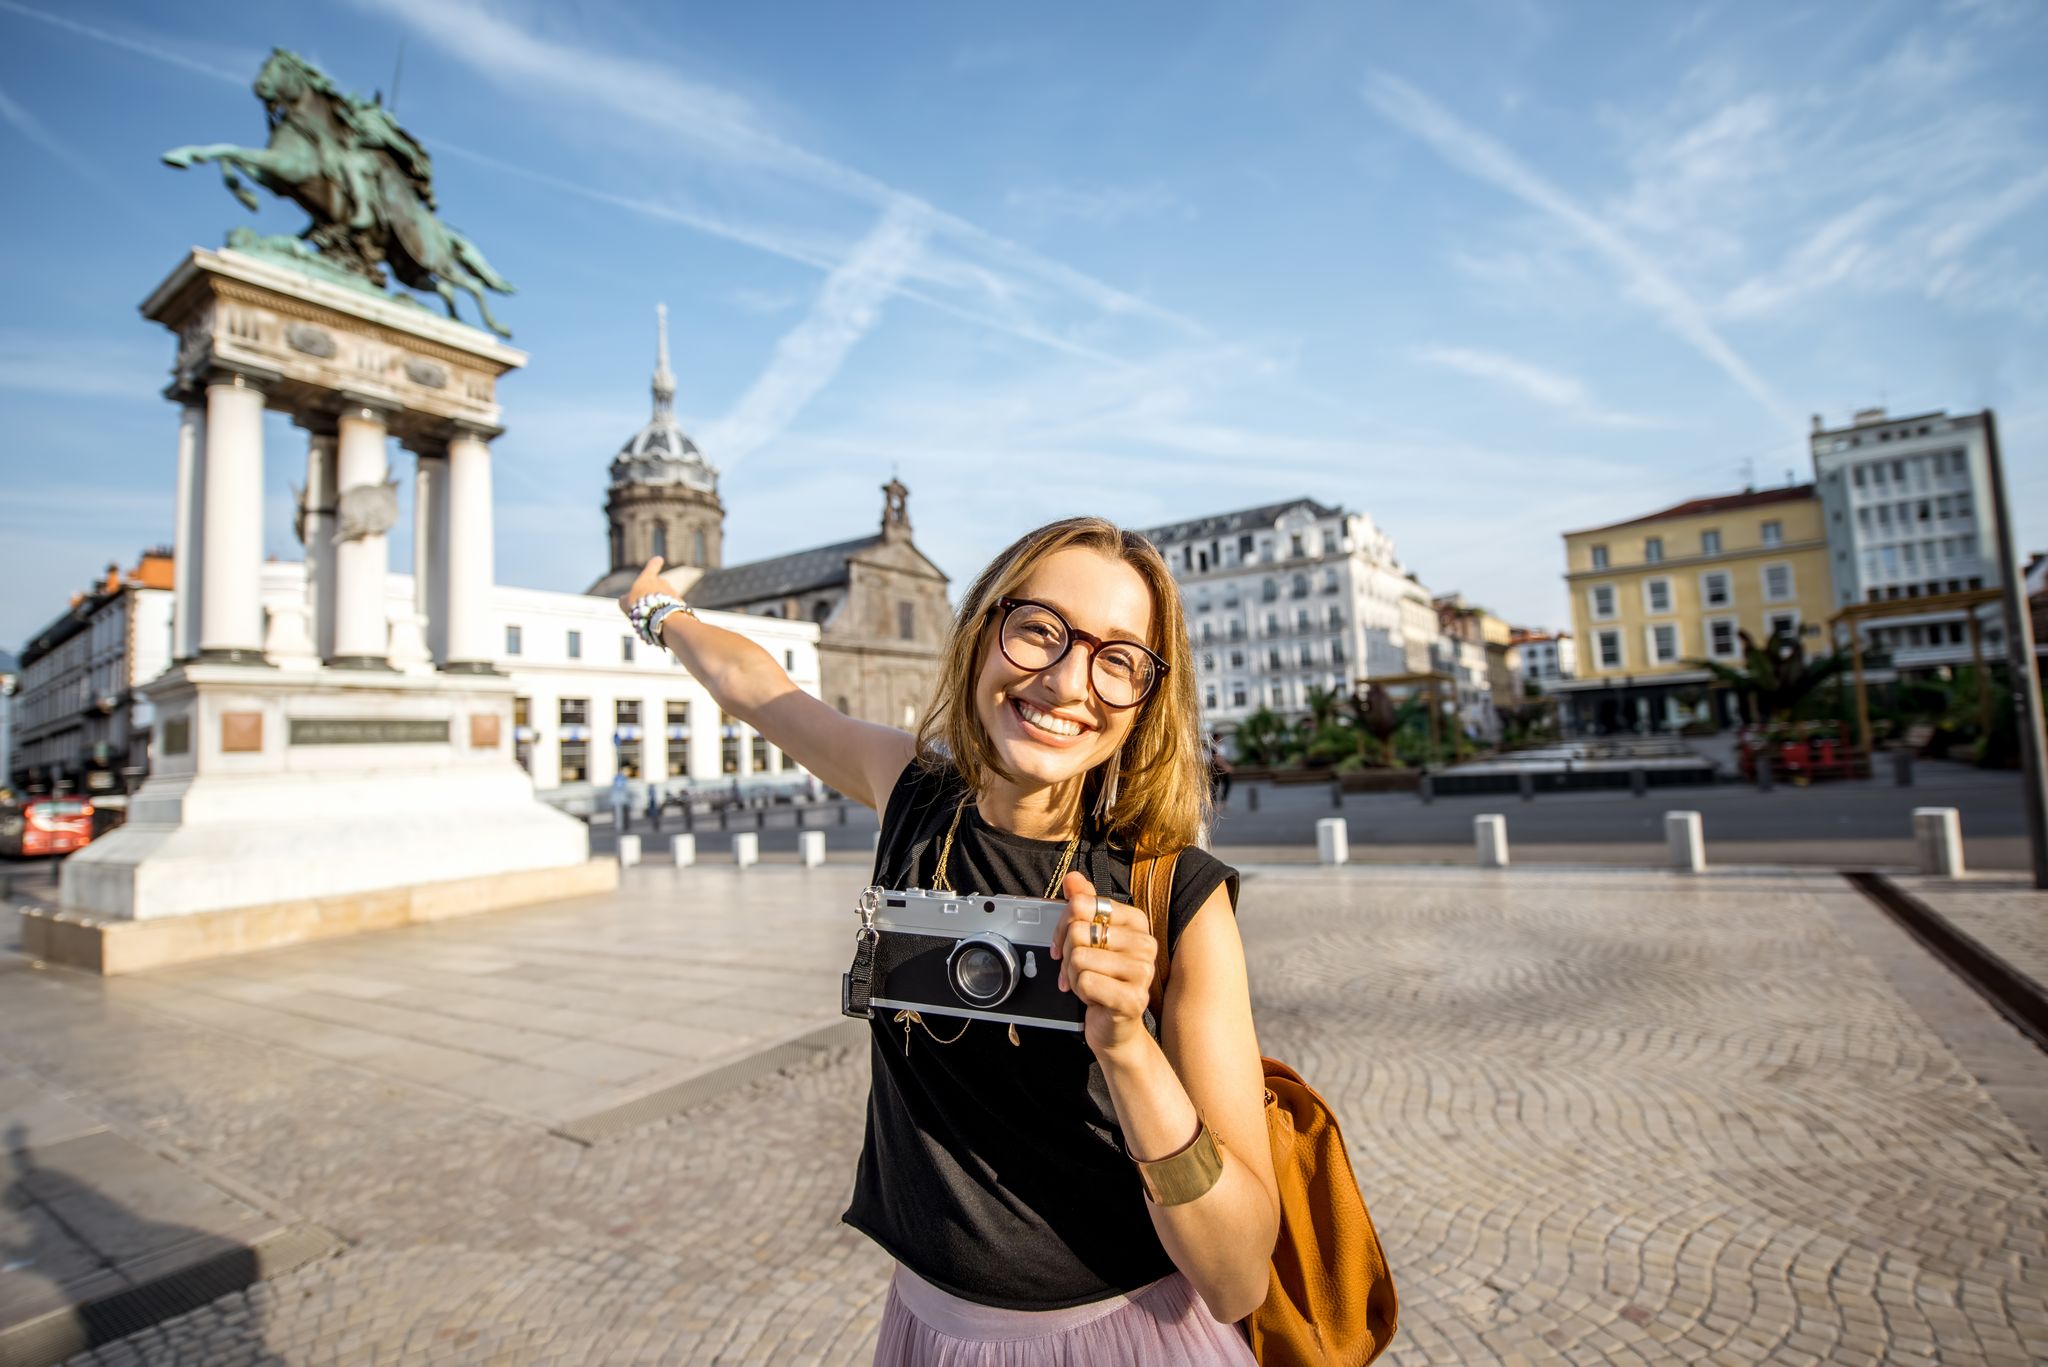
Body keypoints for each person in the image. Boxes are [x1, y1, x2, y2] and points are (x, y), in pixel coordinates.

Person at [620, 518, 1276, 1364]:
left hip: (1122, 1336)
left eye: (1118, 659)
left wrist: (1128, 1050)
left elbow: (1238, 1280)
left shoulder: (1173, 893)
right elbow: (758, 688)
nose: (1069, 680)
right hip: (927, 1332)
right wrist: (661, 612)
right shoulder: (915, 795)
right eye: (1040, 628)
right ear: (980, 631)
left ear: (1146, 696)